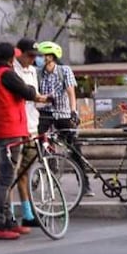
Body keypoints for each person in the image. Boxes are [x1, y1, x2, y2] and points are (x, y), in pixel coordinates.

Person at [0, 42, 48, 240]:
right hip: (10, 130)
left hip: (0, 128)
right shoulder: (6, 74)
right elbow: (26, 91)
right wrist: (38, 95)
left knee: (8, 178)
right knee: (6, 179)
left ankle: (9, 221)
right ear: (11, 59)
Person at [36, 41, 91, 197]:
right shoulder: (38, 73)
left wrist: (73, 111)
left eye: (43, 55)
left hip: (63, 113)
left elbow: (71, 92)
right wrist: (43, 100)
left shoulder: (64, 71)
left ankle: (84, 183)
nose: (41, 58)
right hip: (45, 113)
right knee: (37, 144)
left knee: (74, 147)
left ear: (51, 57)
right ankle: (42, 175)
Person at [12, 38, 42, 229]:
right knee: (12, 174)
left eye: (35, 56)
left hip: (32, 125)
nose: (32, 60)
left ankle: (28, 212)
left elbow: (34, 96)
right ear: (20, 53)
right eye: (29, 56)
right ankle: (11, 213)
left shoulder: (32, 71)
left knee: (26, 171)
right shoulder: (12, 71)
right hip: (17, 126)